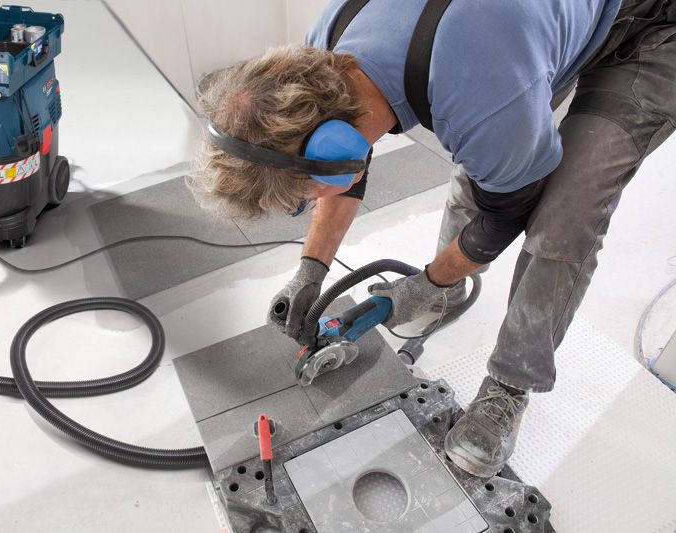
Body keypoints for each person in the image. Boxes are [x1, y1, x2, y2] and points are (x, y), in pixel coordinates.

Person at [190, 0, 676, 478]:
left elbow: (504, 217)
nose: (305, 205)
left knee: (567, 209)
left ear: (334, 147)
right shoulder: (326, 46)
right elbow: (349, 169)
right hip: (517, 33)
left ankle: (509, 385)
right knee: (486, 154)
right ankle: (450, 289)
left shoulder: (482, 87)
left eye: (302, 197)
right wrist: (309, 270)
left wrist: (422, 284)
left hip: (653, 30)